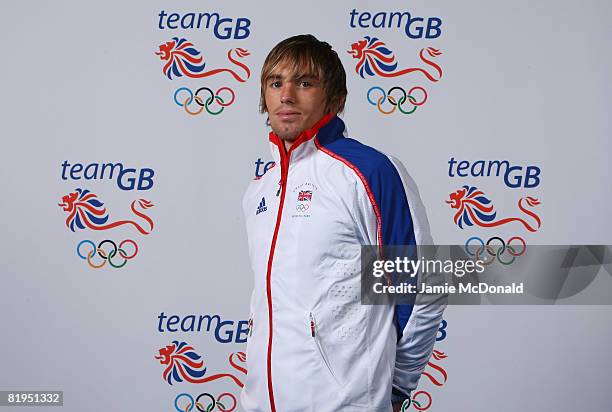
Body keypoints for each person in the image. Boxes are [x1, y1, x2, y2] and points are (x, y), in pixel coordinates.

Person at [241, 34, 446, 412]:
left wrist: (394, 385)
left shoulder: (368, 172)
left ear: (334, 99)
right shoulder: (260, 189)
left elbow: (423, 286)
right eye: (275, 82)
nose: (286, 95)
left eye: (305, 82)